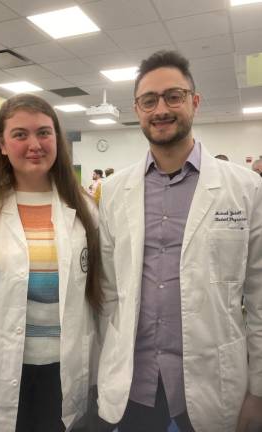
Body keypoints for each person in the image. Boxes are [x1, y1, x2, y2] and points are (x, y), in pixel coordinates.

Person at [96, 50, 262, 432]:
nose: (161, 109)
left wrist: (258, 390)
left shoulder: (246, 188)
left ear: (195, 101)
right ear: (137, 109)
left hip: (213, 381)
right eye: (148, 100)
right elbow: (108, 293)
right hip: (134, 382)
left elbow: (258, 296)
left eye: (174, 96)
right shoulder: (114, 191)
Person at [0, 93, 101, 432]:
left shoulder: (84, 207)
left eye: (44, 132)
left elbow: (98, 293)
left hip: (65, 366)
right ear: (1, 144)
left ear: (57, 138)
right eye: (20, 134)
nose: (34, 144)